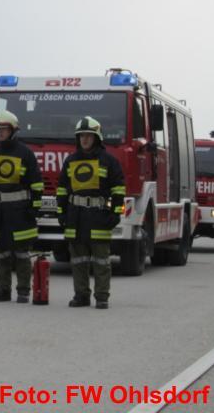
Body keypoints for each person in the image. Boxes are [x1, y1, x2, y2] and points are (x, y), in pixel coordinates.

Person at [56, 116, 125, 309]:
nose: (85, 139)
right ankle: (81, 296)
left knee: (101, 261)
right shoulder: (70, 161)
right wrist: (61, 213)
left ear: (97, 137)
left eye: (88, 135)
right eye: (81, 136)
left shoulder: (109, 161)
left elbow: (118, 190)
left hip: (99, 217)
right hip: (75, 217)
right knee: (78, 260)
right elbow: (62, 190)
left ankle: (102, 297)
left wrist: (115, 213)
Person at [0, 111, 44, 303]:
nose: (0, 133)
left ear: (13, 130)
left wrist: (34, 208)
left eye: (4, 129)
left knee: (21, 254)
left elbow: (36, 184)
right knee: (0, 254)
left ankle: (23, 291)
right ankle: (3, 290)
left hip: (20, 211)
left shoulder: (25, 153)